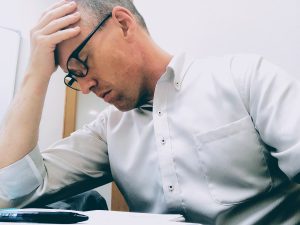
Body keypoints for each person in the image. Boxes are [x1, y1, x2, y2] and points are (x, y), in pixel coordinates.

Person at [0, 0, 300, 224]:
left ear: (123, 23)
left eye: (83, 63)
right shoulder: (108, 131)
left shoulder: (245, 78)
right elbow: (17, 191)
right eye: (73, 77)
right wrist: (35, 74)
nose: (86, 86)